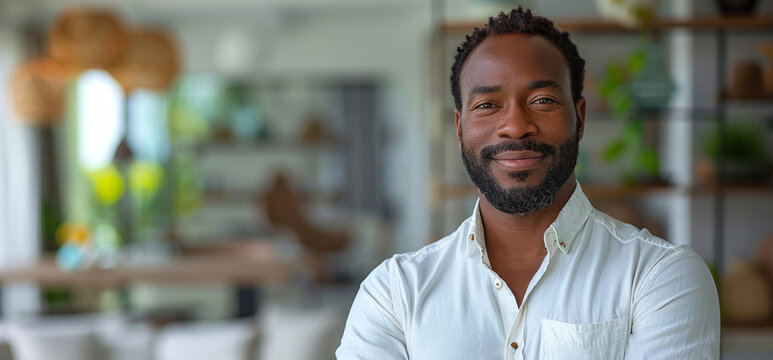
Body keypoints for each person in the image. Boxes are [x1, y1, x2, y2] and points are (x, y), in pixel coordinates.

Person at [336, 7, 719, 360]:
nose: (516, 126)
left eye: (542, 100)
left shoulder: (659, 278)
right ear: (459, 128)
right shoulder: (394, 292)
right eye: (487, 105)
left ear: (579, 118)